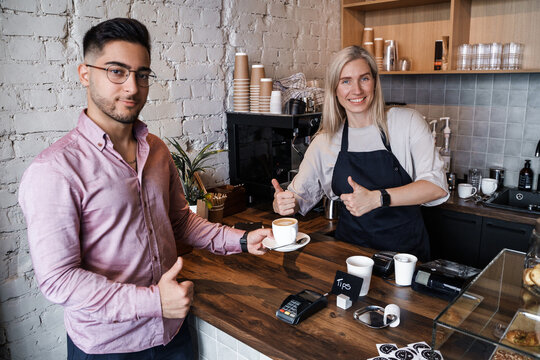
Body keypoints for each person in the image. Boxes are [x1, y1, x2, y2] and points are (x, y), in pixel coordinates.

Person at [18, 18, 271, 360]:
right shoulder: (54, 170)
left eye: (142, 74)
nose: (132, 88)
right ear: (84, 73)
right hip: (110, 347)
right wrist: (153, 302)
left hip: (172, 334)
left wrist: (239, 239)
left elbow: (180, 221)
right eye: (116, 71)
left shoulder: (156, 150)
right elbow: (59, 280)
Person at [272, 45, 449, 261]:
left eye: (364, 78)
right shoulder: (325, 141)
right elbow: (299, 197)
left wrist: (378, 198)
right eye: (346, 81)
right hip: (351, 255)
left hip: (406, 256)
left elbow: (436, 187)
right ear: (335, 90)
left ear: (374, 82)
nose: (356, 90)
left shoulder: (406, 123)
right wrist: (282, 202)